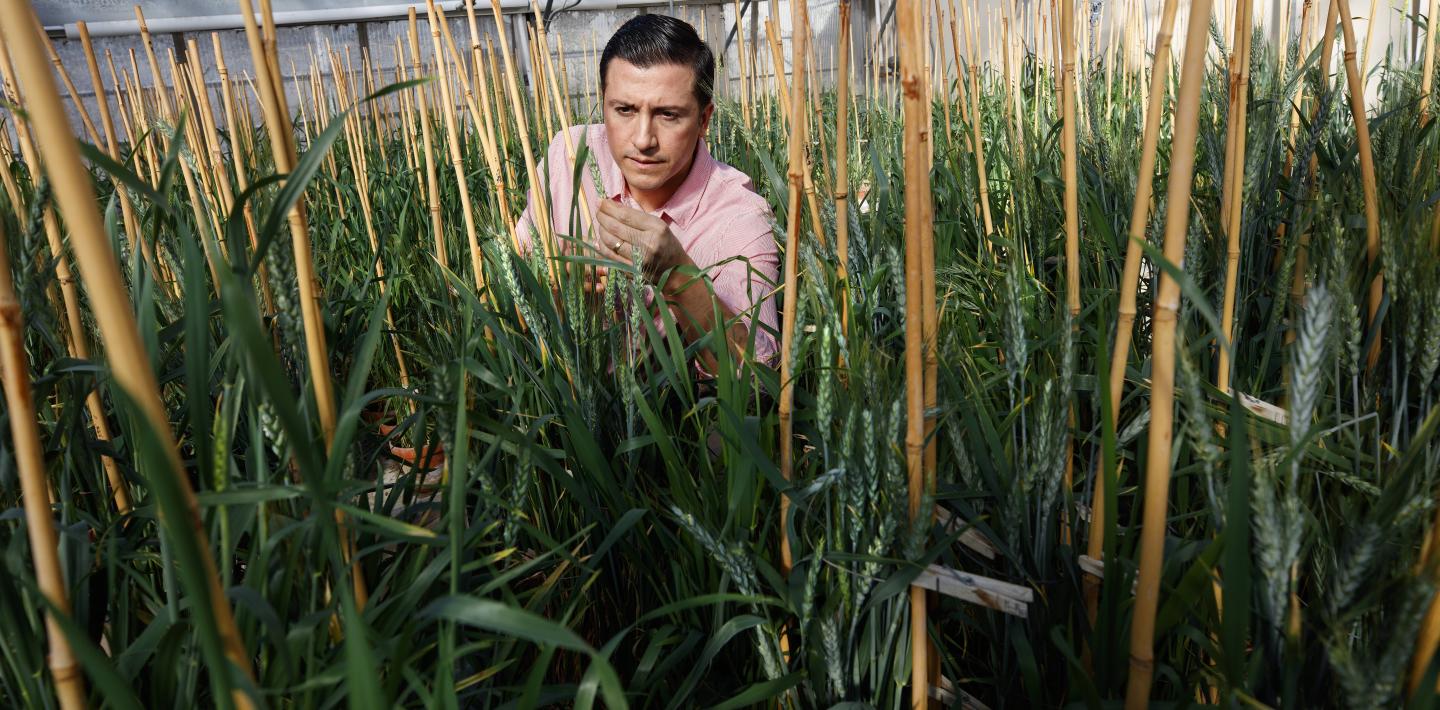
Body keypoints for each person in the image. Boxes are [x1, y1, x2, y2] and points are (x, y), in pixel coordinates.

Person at [516, 14, 780, 374]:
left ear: (704, 120)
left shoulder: (741, 219)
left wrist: (679, 277)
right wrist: (554, 279)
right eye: (624, 110)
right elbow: (514, 273)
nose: (643, 140)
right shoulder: (569, 155)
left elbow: (755, 377)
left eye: (668, 114)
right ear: (604, 103)